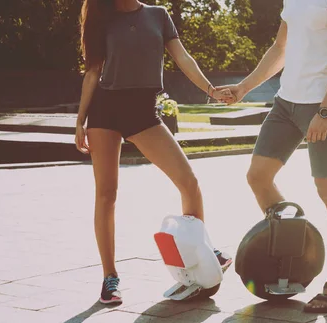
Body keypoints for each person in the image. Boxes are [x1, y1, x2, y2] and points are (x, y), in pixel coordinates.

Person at [75, 0, 233, 305]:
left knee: (189, 182)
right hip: (104, 112)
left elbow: (183, 57)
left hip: (143, 112)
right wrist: (80, 121)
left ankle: (199, 252)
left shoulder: (158, 15)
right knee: (106, 195)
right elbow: (93, 72)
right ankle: (110, 278)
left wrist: (211, 89)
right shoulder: (102, 18)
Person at [218, 0, 327, 314]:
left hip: (326, 103)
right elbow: (279, 48)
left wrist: (325, 111)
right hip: (286, 103)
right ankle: (293, 243)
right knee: (257, 176)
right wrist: (245, 87)